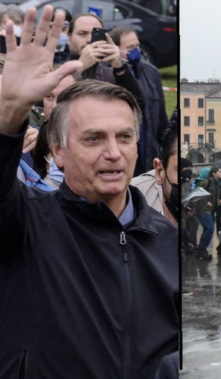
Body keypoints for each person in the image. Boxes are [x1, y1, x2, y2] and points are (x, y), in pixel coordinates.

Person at [0, 7, 177, 377]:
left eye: (124, 137)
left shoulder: (167, 242)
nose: (113, 152)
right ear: (59, 150)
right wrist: (9, 112)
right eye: (93, 138)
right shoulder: (28, 222)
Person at [111, 26, 168, 176]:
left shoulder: (151, 72)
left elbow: (162, 118)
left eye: (137, 45)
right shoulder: (106, 74)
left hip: (149, 154)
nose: (136, 50)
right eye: (130, 47)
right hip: (121, 153)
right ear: (116, 49)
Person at [67, 13, 145, 111]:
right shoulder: (55, 72)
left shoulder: (109, 75)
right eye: (82, 33)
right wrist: (79, 68)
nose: (89, 40)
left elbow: (138, 106)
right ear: (69, 39)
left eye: (95, 34)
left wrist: (120, 67)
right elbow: (45, 109)